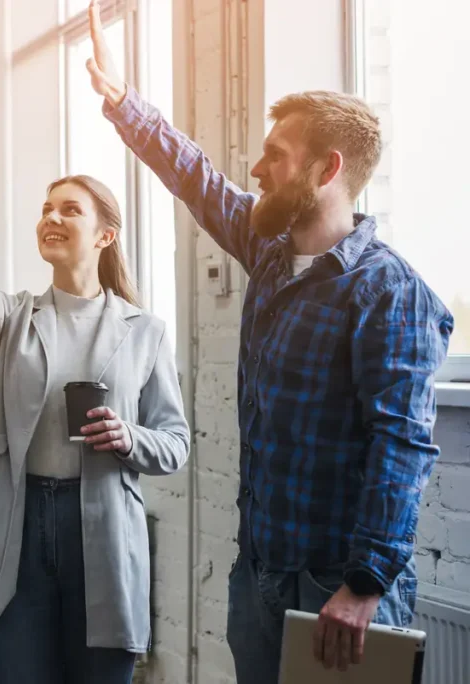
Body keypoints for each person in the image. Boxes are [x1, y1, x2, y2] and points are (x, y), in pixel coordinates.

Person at [84, 2, 453, 682]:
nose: (256, 168)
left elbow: (401, 446)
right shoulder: (273, 252)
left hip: (339, 592)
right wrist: (124, 105)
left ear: (327, 168)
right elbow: (196, 178)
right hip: (259, 576)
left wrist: (364, 586)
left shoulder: (389, 292)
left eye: (276, 156)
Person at [0, 73, 190, 684]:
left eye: (68, 210)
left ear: (104, 234)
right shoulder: (16, 319)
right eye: (46, 209)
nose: (51, 217)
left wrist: (129, 437)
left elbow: (175, 443)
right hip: (20, 526)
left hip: (101, 529)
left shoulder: (144, 331)